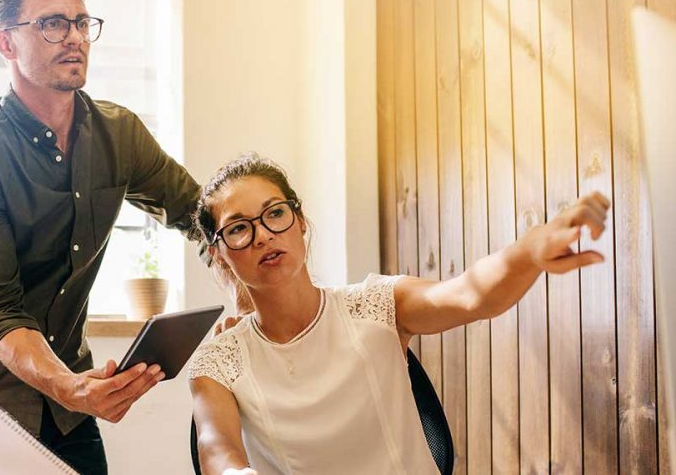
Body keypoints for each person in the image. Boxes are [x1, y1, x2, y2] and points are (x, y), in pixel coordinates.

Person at [187, 153, 611, 475]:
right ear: (221, 256)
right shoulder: (218, 365)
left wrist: (531, 250)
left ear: (300, 222)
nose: (263, 235)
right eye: (239, 228)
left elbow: (470, 295)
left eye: (275, 213)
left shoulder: (376, 304)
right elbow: (217, 449)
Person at [0, 0, 203, 472]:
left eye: (81, 22)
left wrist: (253, 293)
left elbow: (199, 213)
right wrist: (73, 387)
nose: (76, 38)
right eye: (53, 24)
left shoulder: (118, 133)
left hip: (69, 408)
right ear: (6, 43)